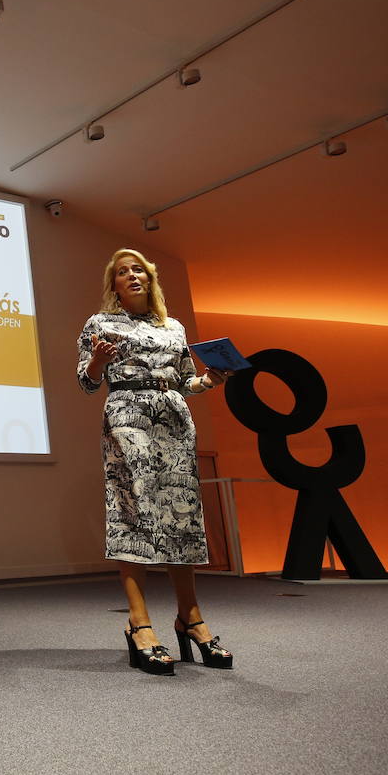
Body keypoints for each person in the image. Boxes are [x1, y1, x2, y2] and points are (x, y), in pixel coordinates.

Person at [76, 248, 233, 676]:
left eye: (139, 270)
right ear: (115, 285)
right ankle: (140, 624)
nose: (132, 275)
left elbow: (187, 380)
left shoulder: (174, 327)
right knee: (135, 512)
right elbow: (87, 384)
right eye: (123, 272)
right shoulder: (100, 324)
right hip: (127, 415)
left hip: (174, 419)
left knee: (181, 517)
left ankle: (191, 619)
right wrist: (98, 361)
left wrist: (210, 380)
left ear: (150, 279)